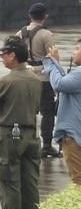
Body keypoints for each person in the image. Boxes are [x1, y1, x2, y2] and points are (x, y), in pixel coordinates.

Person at [0, 37, 41, 209]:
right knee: (30, 185)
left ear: (13, 55)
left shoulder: (5, 81)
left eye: (4, 54)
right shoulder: (36, 79)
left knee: (10, 186)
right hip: (32, 134)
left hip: (9, 135)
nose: (2, 58)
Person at [16, 3, 59, 157]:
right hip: (43, 78)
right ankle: (47, 144)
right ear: (45, 16)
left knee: (28, 112)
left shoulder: (20, 34)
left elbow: (12, 53)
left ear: (30, 15)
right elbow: (53, 58)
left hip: (25, 77)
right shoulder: (46, 35)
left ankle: (27, 142)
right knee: (47, 113)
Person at [43, 40, 81, 184]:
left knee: (78, 180)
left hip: (74, 136)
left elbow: (59, 84)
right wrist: (56, 64)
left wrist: (50, 64)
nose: (73, 52)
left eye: (77, 49)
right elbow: (65, 80)